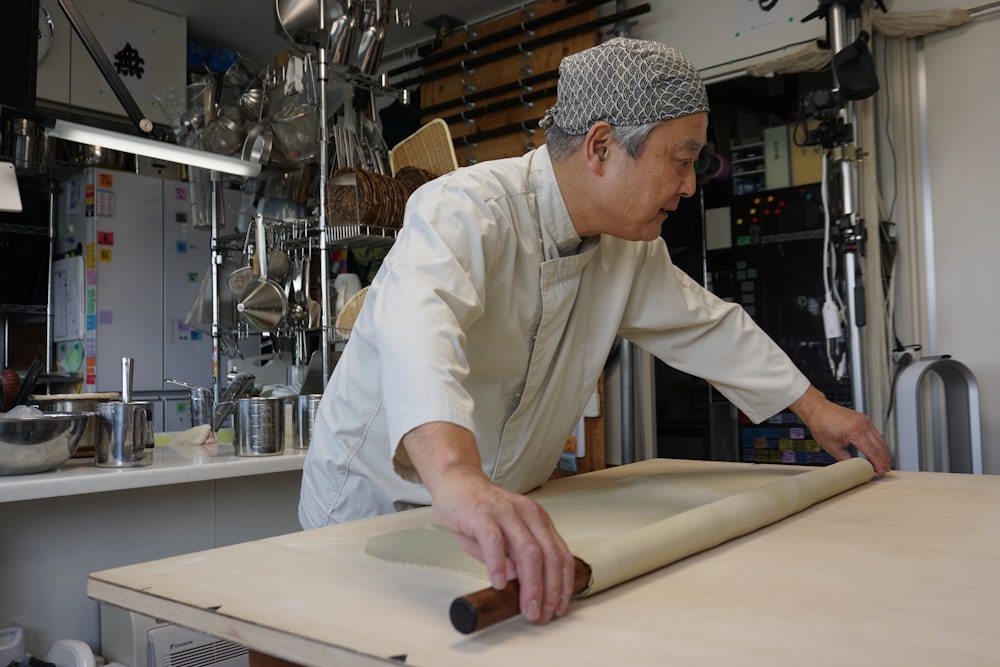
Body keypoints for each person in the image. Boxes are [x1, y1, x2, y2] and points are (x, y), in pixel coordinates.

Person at [300, 37, 891, 627]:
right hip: (374, 508)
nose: (689, 186)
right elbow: (418, 334)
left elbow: (709, 327)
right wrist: (458, 478)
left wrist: (817, 411)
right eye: (681, 160)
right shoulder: (465, 208)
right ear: (602, 146)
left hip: (495, 513)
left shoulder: (625, 249)